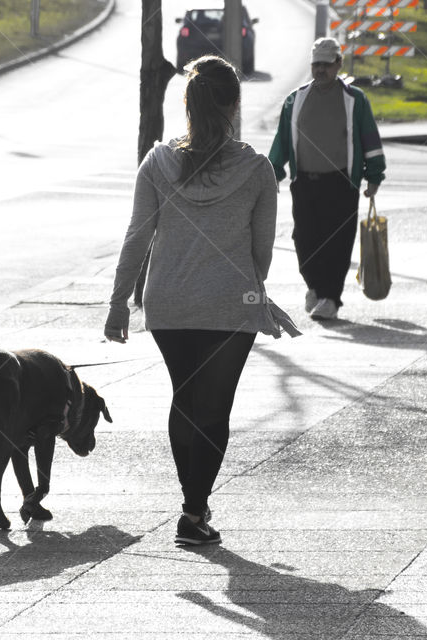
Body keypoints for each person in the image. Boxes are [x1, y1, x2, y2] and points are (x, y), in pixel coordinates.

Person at [105, 56, 297, 547]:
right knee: (213, 408)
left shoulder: (157, 162)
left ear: (186, 104)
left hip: (167, 304)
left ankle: (193, 507)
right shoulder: (257, 171)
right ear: (234, 104)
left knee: (185, 400)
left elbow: (137, 236)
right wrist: (257, 295)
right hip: (228, 306)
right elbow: (261, 250)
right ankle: (193, 511)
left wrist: (118, 302)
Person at [268, 37, 386, 320]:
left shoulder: (355, 100)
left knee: (338, 242)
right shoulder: (295, 100)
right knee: (304, 238)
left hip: (341, 184)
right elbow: (282, 142)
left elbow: (369, 138)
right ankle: (314, 286)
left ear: (338, 64)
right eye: (316, 65)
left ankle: (330, 298)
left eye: (326, 64)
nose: (320, 70)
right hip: (305, 183)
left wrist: (374, 175)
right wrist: (272, 172)